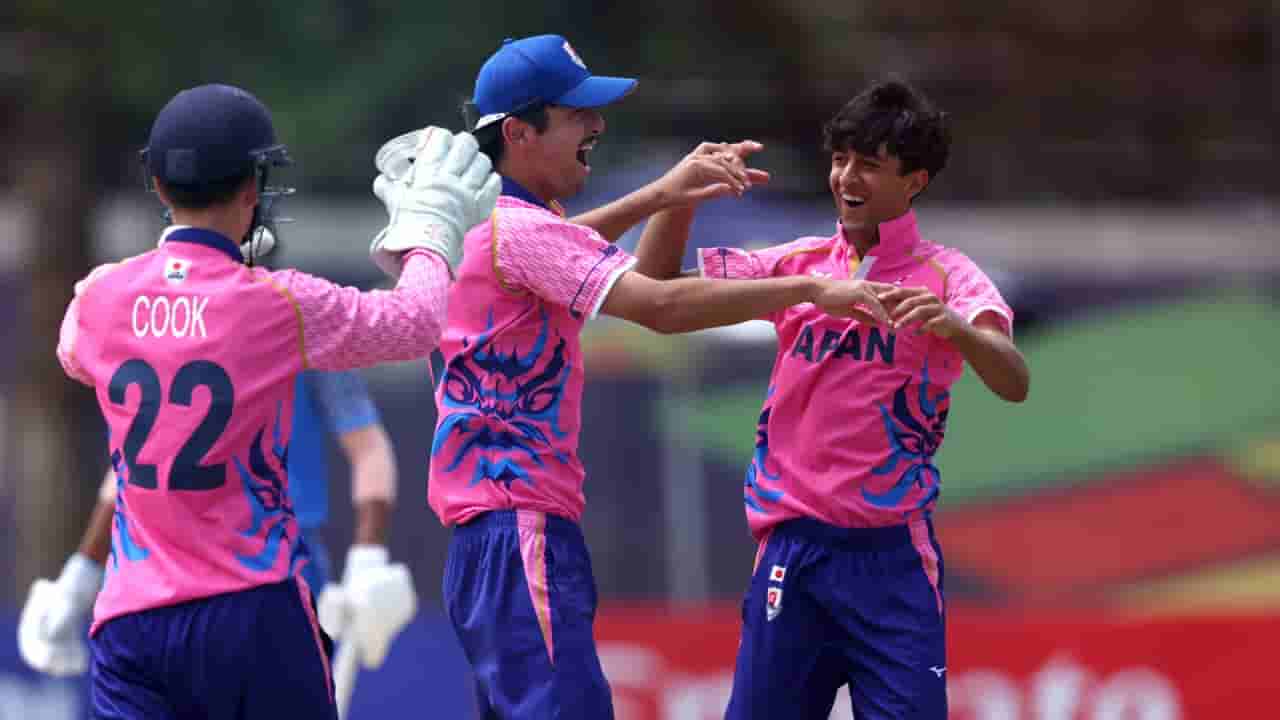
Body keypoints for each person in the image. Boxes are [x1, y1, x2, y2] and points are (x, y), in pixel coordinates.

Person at [418, 35, 893, 720]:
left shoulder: (489, 224)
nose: (596, 125)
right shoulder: (521, 234)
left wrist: (668, 195)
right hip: (519, 528)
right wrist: (810, 289)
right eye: (577, 113)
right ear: (519, 132)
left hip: (488, 539)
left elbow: (566, 244)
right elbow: (661, 306)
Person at [48, 82, 498, 719]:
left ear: (158, 186)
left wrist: (140, 285)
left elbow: (73, 352)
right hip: (254, 609)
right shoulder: (277, 302)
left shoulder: (101, 300)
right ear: (252, 189)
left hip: (132, 622)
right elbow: (416, 323)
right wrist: (432, 227)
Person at [658, 79, 1029, 719]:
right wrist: (678, 197)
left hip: (892, 560)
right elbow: (657, 292)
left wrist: (957, 329)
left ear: (915, 180)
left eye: (869, 164)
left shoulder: (950, 277)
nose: (846, 177)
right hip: (793, 552)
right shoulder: (798, 265)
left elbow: (1014, 381)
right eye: (839, 159)